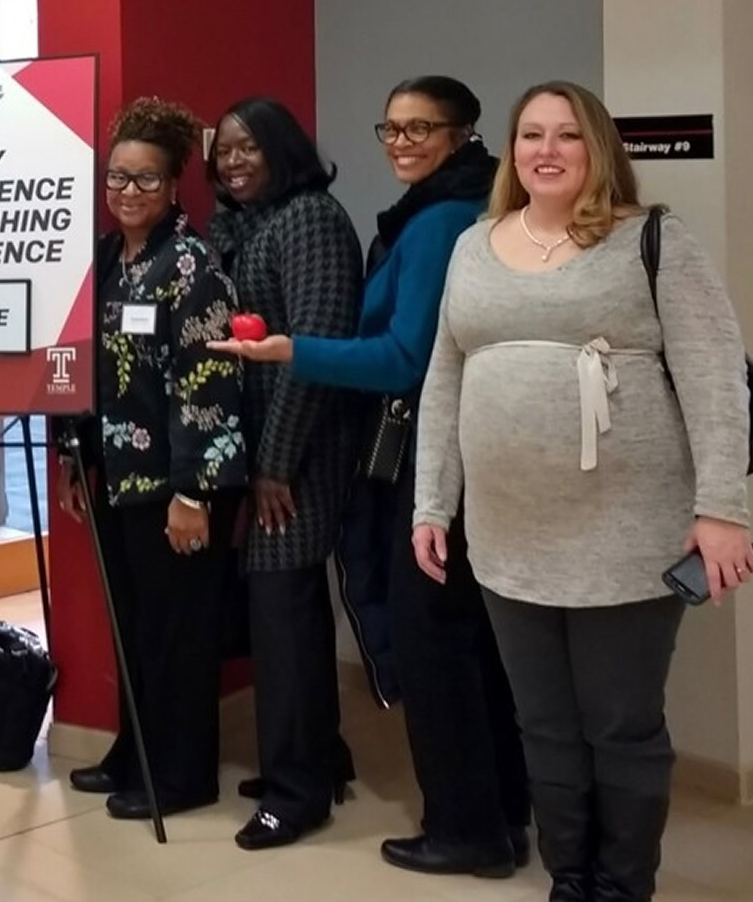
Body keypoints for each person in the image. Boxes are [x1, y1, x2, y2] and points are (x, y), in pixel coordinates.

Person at [412, 80, 753, 902]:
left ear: (599, 148)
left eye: (568, 135)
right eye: (531, 134)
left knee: (619, 724)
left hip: (629, 535)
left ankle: (622, 882)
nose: (547, 150)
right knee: (544, 723)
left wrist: (721, 511)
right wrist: (433, 501)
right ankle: (571, 876)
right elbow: (443, 377)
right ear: (511, 149)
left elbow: (715, 379)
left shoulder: (653, 238)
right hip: (506, 537)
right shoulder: (475, 242)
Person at [211, 77, 530, 875]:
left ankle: (456, 823)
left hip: (408, 455)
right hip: (411, 452)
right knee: (452, 640)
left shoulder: (433, 222)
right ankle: (493, 814)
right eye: (390, 127)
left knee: (430, 645)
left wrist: (286, 368)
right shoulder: (423, 211)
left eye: (421, 128)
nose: (401, 141)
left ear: (462, 135)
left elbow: (399, 354)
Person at [56, 97, 247, 820]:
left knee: (179, 634)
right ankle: (133, 753)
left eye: (144, 181)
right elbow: (85, 369)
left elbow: (210, 382)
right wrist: (76, 457)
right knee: (135, 626)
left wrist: (194, 493)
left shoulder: (192, 265)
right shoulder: (111, 257)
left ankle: (182, 774)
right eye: (116, 180)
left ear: (174, 187)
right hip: (117, 475)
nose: (126, 194)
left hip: (176, 483)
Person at [206, 97, 363, 851]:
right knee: (282, 612)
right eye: (223, 151)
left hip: (300, 453)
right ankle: (320, 759)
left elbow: (314, 348)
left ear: (282, 149)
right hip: (258, 451)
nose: (233, 162)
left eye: (248, 149)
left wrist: (273, 464)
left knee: (284, 618)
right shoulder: (242, 223)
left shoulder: (310, 219)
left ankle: (296, 792)